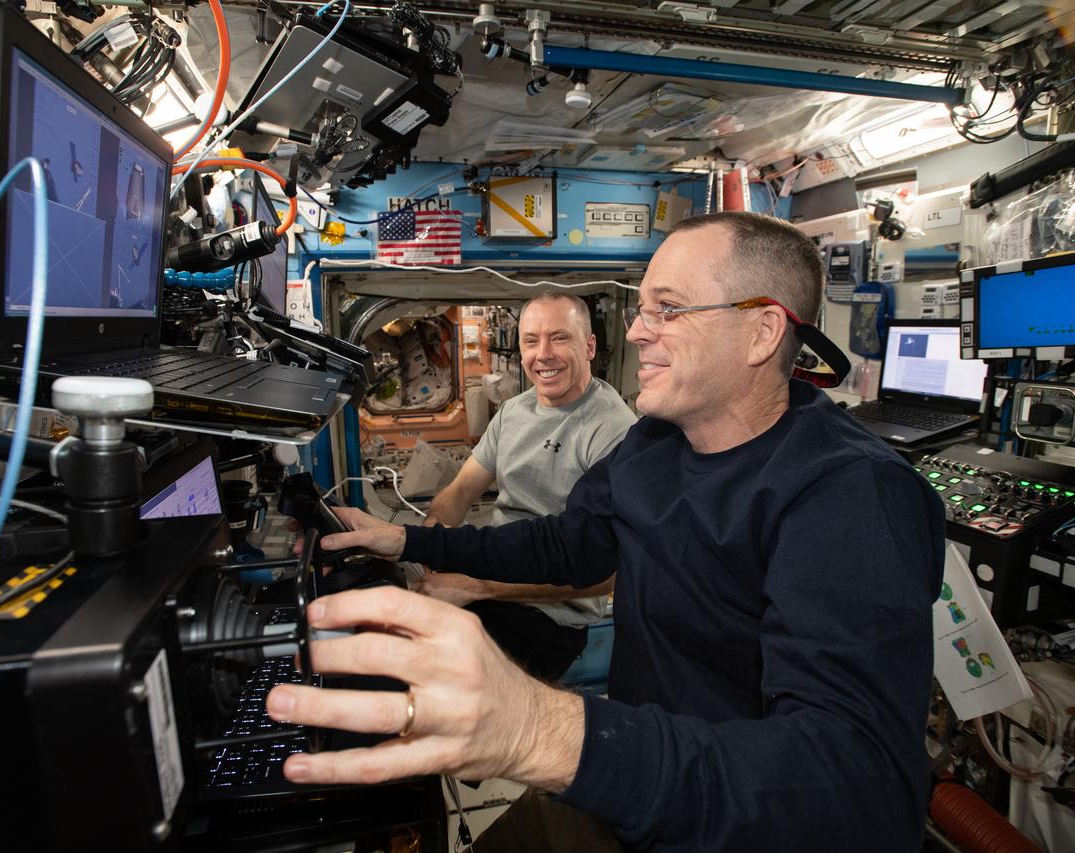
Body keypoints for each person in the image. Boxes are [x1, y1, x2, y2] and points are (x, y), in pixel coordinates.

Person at [268, 212, 944, 851]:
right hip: (636, 783)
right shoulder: (655, 444)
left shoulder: (851, 495)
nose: (641, 331)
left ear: (762, 332)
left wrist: (542, 729)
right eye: (642, 307)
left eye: (668, 309)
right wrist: (411, 542)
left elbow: (858, 787)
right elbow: (563, 544)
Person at [416, 293, 635, 681]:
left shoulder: (612, 430)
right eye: (531, 341)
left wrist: (476, 587)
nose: (543, 354)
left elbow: (606, 574)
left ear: (589, 346)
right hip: (493, 577)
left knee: (439, 683)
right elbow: (462, 490)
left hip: (545, 618)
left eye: (560, 338)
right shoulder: (515, 411)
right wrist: (432, 539)